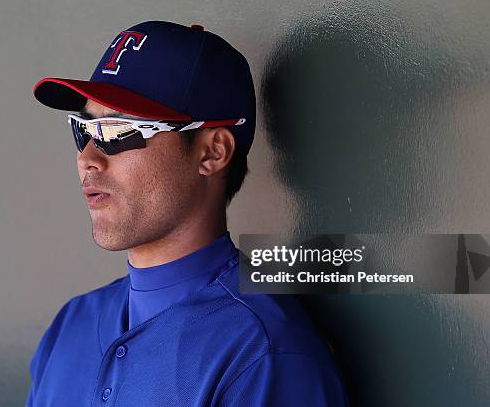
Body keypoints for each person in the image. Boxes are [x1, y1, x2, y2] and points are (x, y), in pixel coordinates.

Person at [26, 20, 348, 406]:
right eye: (84, 129)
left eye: (117, 130)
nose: (87, 158)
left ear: (212, 152)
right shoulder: (71, 326)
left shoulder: (263, 352)